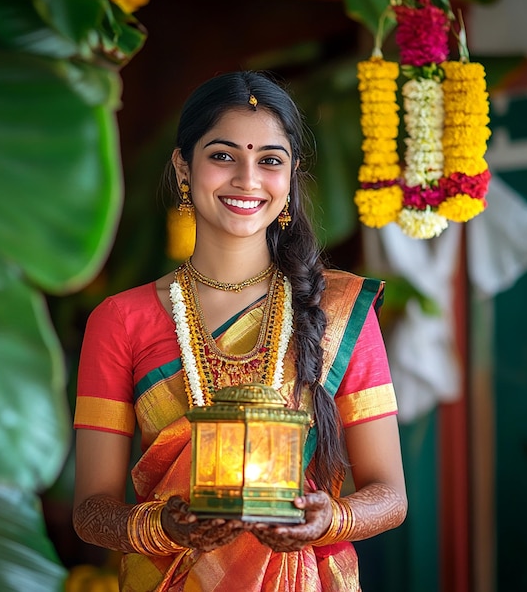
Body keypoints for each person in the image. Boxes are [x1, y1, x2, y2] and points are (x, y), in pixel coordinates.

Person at [72, 70, 407, 591]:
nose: (248, 179)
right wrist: (163, 526)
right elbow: (91, 511)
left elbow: (391, 495)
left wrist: (328, 520)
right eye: (223, 155)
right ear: (184, 165)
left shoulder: (337, 309)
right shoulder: (120, 320)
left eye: (270, 160)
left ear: (291, 174)